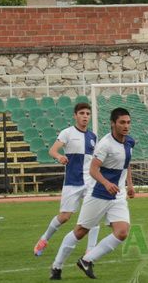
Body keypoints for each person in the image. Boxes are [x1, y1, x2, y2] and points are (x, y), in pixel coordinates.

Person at [49, 108, 135, 280]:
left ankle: (86, 260)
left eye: (128, 122)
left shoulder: (130, 142)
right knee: (80, 231)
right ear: (113, 124)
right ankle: (56, 266)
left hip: (117, 195)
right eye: (122, 122)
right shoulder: (105, 144)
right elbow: (93, 169)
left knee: (122, 232)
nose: (126, 126)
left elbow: (126, 164)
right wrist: (106, 183)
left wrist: (130, 185)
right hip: (99, 194)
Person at [34, 102, 100, 256]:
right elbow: (52, 150)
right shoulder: (67, 133)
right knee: (65, 217)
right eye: (82, 113)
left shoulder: (93, 137)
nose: (85, 116)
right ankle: (44, 239)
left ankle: (90, 251)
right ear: (75, 115)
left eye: (87, 114)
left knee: (94, 214)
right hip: (72, 181)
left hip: (90, 181)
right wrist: (59, 156)